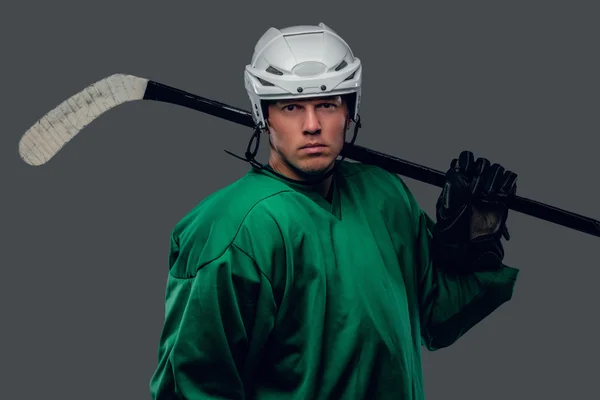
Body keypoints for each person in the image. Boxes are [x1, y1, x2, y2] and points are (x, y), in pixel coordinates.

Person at [149, 22, 520, 400]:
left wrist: (474, 248)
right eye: (291, 106)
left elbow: (437, 320)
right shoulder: (229, 231)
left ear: (350, 110)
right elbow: (194, 387)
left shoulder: (384, 193)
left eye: (327, 104)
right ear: (263, 116)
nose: (313, 126)